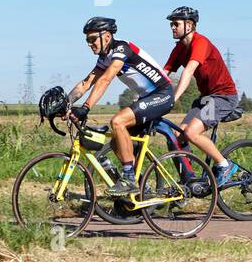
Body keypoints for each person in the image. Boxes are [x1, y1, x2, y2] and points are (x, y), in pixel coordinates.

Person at [67, 16, 174, 196]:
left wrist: (85, 107)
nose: (89, 44)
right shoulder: (105, 57)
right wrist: (66, 103)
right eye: (87, 40)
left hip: (162, 94)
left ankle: (129, 179)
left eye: (93, 39)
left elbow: (106, 79)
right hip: (146, 98)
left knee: (117, 121)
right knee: (117, 143)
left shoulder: (121, 49)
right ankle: (142, 188)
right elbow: (86, 83)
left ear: (107, 36)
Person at [163, 6, 241, 186]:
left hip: (223, 96)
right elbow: (163, 74)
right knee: (176, 135)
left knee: (191, 132)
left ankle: (224, 164)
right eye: (171, 25)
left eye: (176, 24)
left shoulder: (201, 42)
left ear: (189, 24)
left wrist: (172, 99)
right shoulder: (179, 49)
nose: (172, 27)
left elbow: (188, 71)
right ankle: (188, 179)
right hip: (206, 98)